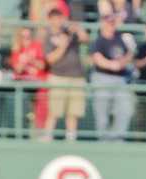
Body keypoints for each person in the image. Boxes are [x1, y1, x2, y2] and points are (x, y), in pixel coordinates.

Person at [43, 7, 89, 141]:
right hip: (58, 77)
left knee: (73, 113)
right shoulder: (48, 37)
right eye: (54, 18)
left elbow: (85, 39)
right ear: (50, 20)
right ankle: (47, 138)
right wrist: (63, 45)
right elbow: (50, 59)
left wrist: (78, 29)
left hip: (76, 76)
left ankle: (71, 140)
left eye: (60, 18)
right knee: (54, 112)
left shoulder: (70, 33)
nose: (58, 21)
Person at [90, 12, 134, 141]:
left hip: (120, 78)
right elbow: (96, 58)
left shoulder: (120, 38)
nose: (110, 25)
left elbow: (129, 55)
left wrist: (121, 62)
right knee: (102, 113)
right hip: (102, 77)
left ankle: (118, 139)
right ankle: (103, 140)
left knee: (125, 109)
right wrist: (111, 65)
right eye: (108, 22)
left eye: (112, 22)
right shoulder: (99, 40)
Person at [10, 26, 48, 136]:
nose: (26, 39)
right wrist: (23, 60)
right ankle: (22, 133)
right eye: (23, 37)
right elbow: (17, 69)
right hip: (23, 85)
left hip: (38, 84)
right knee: (23, 110)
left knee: (41, 109)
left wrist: (31, 59)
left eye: (28, 37)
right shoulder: (17, 49)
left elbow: (42, 65)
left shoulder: (37, 46)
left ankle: (39, 133)